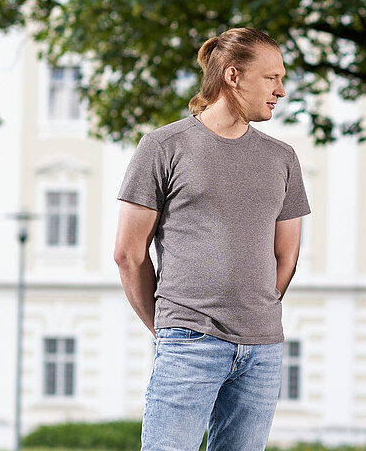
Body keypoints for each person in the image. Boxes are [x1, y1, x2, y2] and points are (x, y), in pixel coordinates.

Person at [113, 27, 309, 451]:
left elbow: (287, 256)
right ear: (233, 76)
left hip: (262, 349)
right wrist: (168, 328)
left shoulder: (282, 158)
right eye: (271, 78)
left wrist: (251, 313)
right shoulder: (164, 146)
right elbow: (129, 254)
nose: (281, 90)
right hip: (189, 343)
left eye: (283, 79)